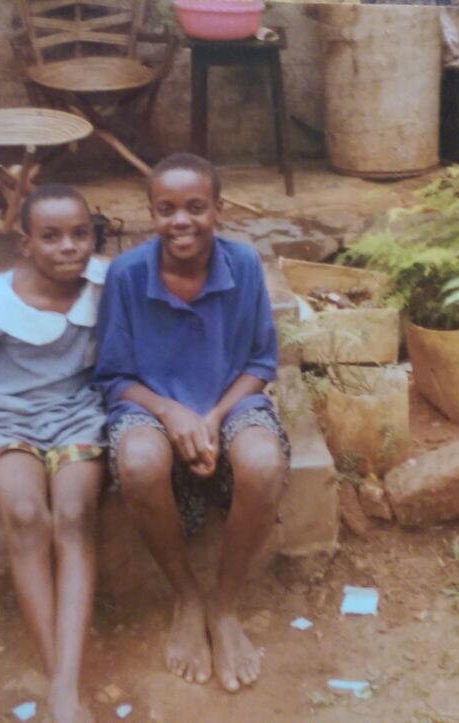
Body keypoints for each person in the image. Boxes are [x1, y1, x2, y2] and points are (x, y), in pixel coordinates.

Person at [95, 153, 289, 693]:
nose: (181, 220)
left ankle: (225, 607)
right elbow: (114, 376)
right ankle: (186, 595)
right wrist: (171, 411)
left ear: (218, 211)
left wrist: (213, 417)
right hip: (149, 406)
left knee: (261, 460)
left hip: (231, 402)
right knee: (137, 461)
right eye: (167, 208)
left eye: (195, 207)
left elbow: (260, 365)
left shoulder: (244, 265)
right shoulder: (127, 274)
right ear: (151, 214)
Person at [0, 185, 107, 723]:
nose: (70, 248)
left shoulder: (106, 288)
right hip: (2, 416)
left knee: (76, 514)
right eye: (51, 236)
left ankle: (64, 685)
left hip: (77, 415)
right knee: (24, 514)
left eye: (80, 234)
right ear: (24, 244)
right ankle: (63, 683)